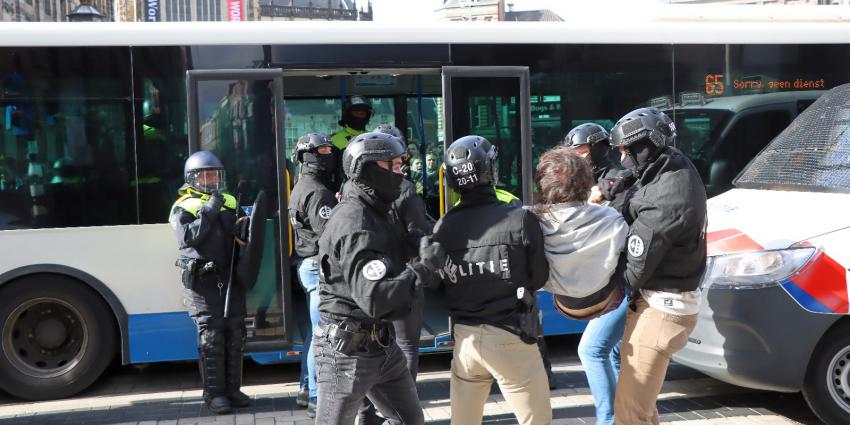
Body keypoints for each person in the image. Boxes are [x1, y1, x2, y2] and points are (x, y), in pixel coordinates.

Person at [315, 131, 445, 425]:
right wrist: (422, 269)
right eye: (396, 165)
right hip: (346, 353)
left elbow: (387, 255)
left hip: (382, 346)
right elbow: (375, 297)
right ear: (370, 168)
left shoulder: (377, 211)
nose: (402, 172)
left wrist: (412, 242)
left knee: (410, 420)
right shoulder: (355, 223)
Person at [432, 135, 551, 425]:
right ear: (491, 171)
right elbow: (539, 277)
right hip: (512, 340)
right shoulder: (519, 220)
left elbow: (438, 284)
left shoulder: (443, 227)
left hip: (465, 342)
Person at [607, 108, 707, 425]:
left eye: (626, 151)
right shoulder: (675, 164)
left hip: (660, 311)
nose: (622, 157)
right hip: (666, 304)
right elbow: (639, 186)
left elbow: (632, 272)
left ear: (644, 147)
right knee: (644, 411)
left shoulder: (664, 206)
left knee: (629, 414)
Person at [534, 145, 629, 425]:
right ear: (587, 183)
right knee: (604, 350)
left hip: (565, 302)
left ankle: (615, 416)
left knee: (607, 350)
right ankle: (618, 415)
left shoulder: (530, 221)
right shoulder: (613, 219)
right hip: (607, 297)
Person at [355, 124, 434, 425]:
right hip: (403, 277)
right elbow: (418, 232)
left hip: (373, 280)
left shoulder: (359, 189)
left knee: (369, 349)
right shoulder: (404, 188)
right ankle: (401, 412)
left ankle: (366, 415)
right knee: (406, 346)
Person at [170, 151, 250, 414]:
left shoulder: (229, 200)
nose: (211, 179)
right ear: (193, 178)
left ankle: (233, 390)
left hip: (230, 278)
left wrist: (243, 228)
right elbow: (189, 238)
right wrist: (209, 211)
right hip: (203, 282)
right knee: (212, 338)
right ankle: (214, 395)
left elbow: (240, 235)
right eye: (205, 174)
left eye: (215, 174)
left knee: (235, 334)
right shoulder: (184, 206)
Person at [288, 133, 338, 418]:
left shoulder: (302, 186)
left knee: (313, 333)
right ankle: (318, 398)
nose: (328, 153)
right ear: (308, 155)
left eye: (330, 149)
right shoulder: (318, 192)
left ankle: (306, 388)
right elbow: (329, 235)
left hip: (307, 265)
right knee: (323, 336)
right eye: (322, 150)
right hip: (319, 267)